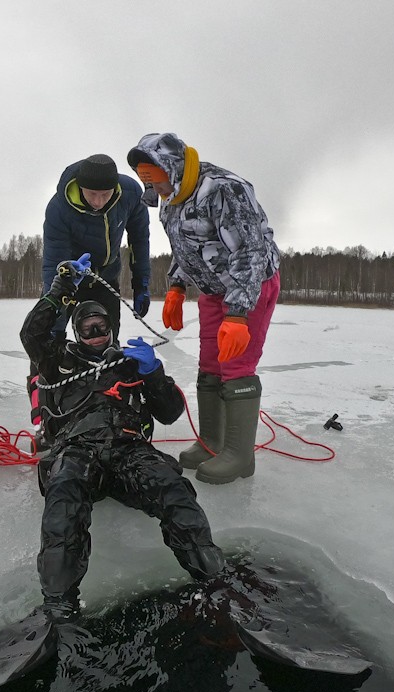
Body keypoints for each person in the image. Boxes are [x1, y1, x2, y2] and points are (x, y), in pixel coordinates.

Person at [20, 254, 225, 620]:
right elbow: (32, 334)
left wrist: (155, 373)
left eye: (101, 327)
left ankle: (212, 580)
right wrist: (60, 288)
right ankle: (59, 603)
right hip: (78, 451)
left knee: (173, 489)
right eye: (88, 328)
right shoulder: (59, 361)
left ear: (111, 328)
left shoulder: (128, 362)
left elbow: (170, 412)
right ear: (77, 331)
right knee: (64, 499)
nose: (96, 334)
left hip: (130, 451)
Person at [127, 132, 281, 485]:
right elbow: (187, 249)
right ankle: (212, 442)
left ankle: (239, 456)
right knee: (210, 363)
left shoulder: (225, 189)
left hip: (250, 287)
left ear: (173, 167)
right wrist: (177, 288)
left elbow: (250, 251)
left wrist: (239, 313)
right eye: (147, 181)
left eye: (157, 179)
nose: (156, 189)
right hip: (213, 290)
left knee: (236, 363)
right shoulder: (172, 199)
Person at [27, 154, 152, 448]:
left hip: (106, 277)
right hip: (70, 276)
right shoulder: (59, 208)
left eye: (104, 195)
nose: (98, 201)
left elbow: (140, 240)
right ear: (80, 189)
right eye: (91, 195)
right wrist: (56, 309)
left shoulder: (131, 193)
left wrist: (141, 283)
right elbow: (52, 263)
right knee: (48, 353)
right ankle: (47, 422)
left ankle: (115, 414)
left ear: (115, 190)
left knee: (107, 346)